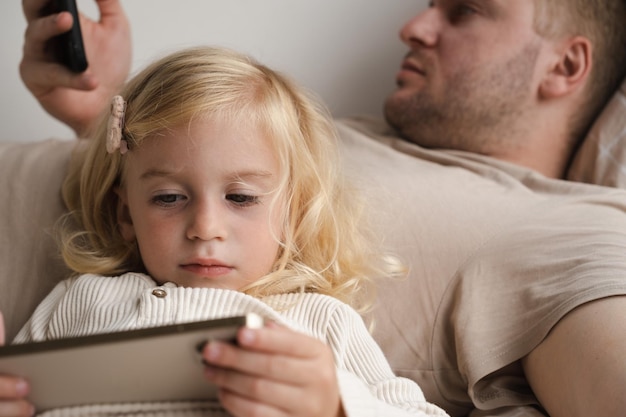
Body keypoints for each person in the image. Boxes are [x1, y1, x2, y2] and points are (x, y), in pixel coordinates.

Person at [6, 0, 626, 416]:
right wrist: (100, 102)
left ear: (566, 64)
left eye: (463, 9)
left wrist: (338, 405)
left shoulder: (579, 224)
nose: (414, 25)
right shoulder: (82, 297)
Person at [12, 45, 448, 417]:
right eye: (167, 198)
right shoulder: (78, 301)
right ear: (126, 216)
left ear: (294, 215)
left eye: (241, 198)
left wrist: (336, 404)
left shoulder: (318, 322)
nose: (205, 228)